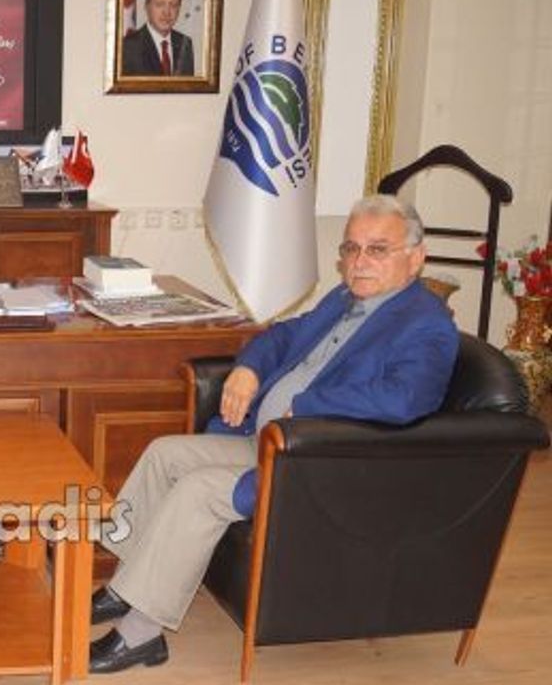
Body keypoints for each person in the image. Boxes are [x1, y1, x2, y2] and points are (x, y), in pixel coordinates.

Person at [87, 195, 459, 674]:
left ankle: (142, 634)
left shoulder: (427, 325)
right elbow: (283, 336)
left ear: (416, 256)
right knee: (165, 454)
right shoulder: (345, 298)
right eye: (351, 248)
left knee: (199, 490)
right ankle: (125, 587)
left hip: (312, 463)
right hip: (263, 439)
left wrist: (306, 405)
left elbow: (405, 399)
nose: (359, 261)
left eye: (377, 249)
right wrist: (247, 369)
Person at [121, 0, 195, 77]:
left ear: (179, 9)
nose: (167, 12)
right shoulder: (128, 47)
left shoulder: (185, 43)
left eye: (173, 5)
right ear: (147, 7)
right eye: (160, 4)